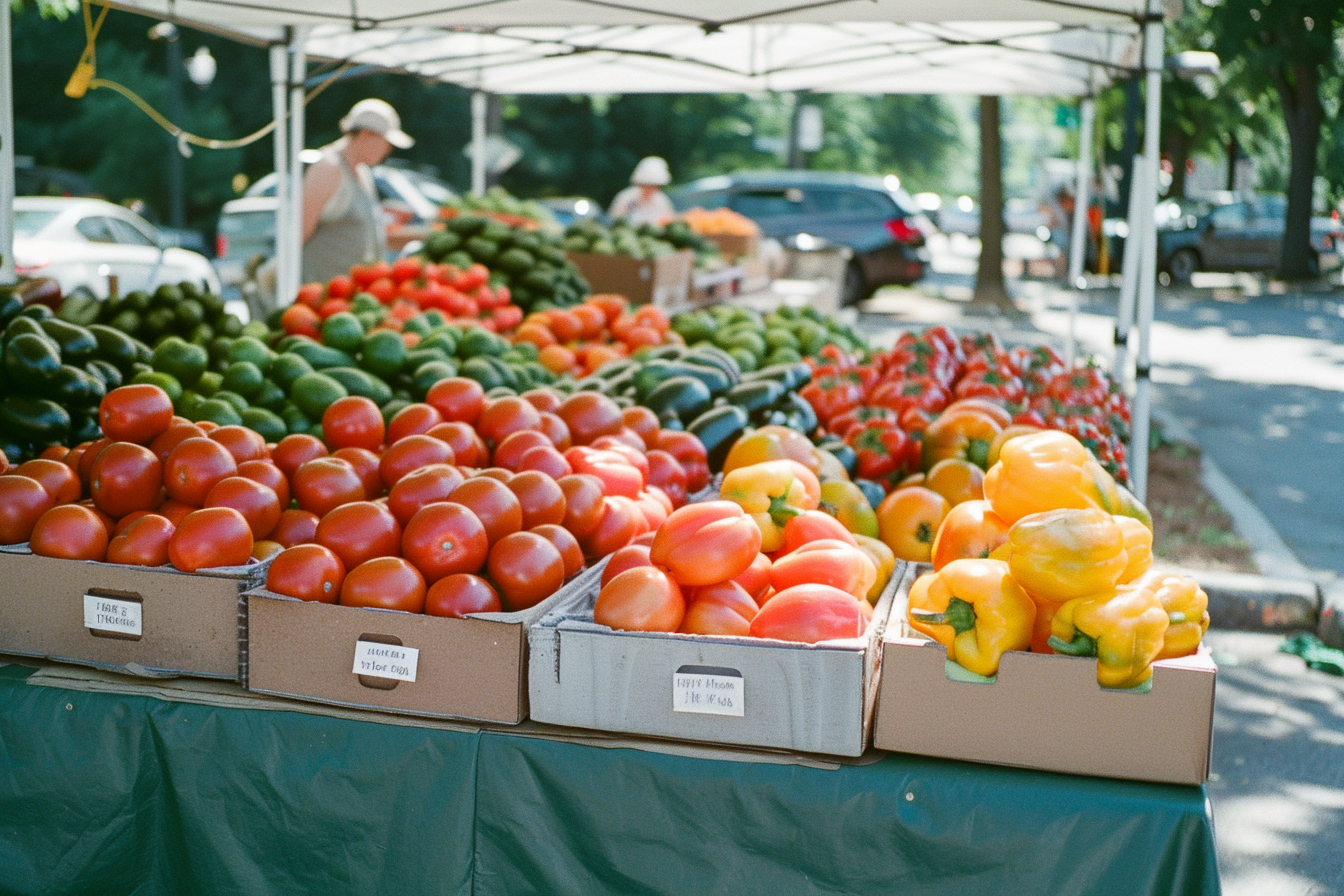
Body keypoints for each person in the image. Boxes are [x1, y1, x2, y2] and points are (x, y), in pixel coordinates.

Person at [300, 98, 415, 285]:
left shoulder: (362, 171)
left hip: (354, 295)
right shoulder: (328, 167)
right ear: (365, 134)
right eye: (386, 142)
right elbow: (300, 232)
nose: (388, 150)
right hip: (323, 294)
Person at [608, 156, 676, 227]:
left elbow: (670, 223)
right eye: (647, 184)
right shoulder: (626, 198)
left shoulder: (662, 201)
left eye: (655, 185)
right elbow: (614, 221)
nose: (651, 188)